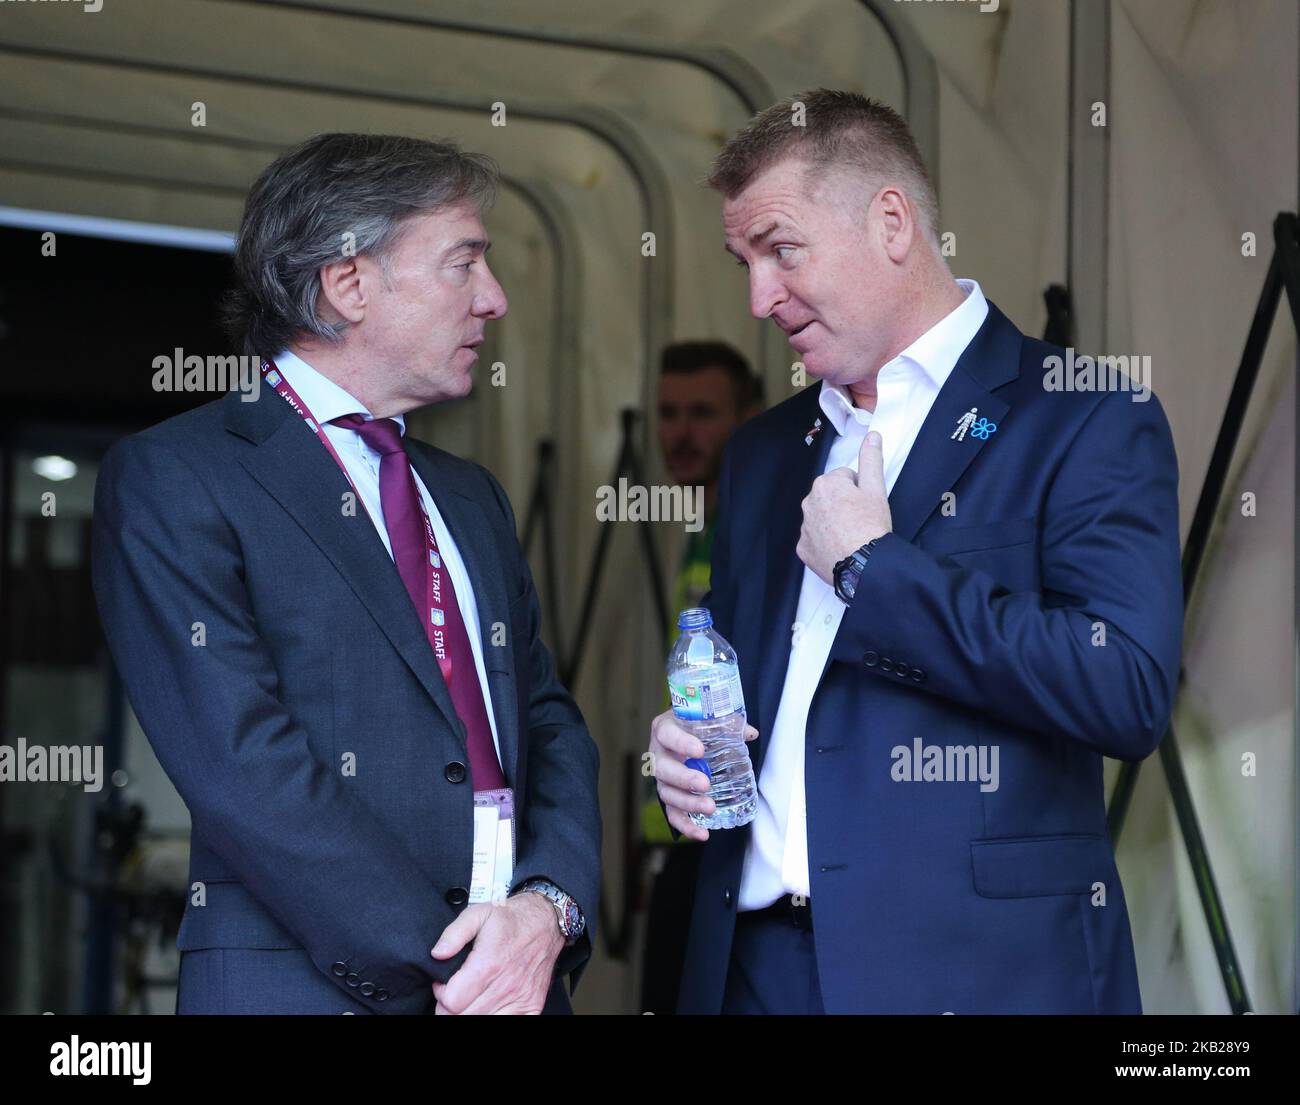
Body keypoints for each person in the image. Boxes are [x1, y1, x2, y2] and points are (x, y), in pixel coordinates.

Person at [648, 90, 1182, 1014]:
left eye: (781, 250)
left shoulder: (1086, 413)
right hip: (751, 972)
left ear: (891, 222)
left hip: (973, 975)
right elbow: (744, 690)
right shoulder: (764, 452)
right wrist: (687, 757)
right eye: (744, 261)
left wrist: (876, 570)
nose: (759, 297)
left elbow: (1128, 690)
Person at [92, 133, 601, 1015]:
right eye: (463, 263)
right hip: (316, 990)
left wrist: (548, 910)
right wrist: (457, 971)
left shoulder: (471, 495)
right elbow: (242, 764)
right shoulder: (179, 477)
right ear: (349, 282)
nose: (495, 298)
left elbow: (548, 721)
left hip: (518, 985)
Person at [639, 340, 762, 1014]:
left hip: (729, 837)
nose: (680, 433)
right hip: (680, 834)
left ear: (750, 415)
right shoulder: (698, 520)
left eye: (703, 413)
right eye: (668, 412)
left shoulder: (757, 522)